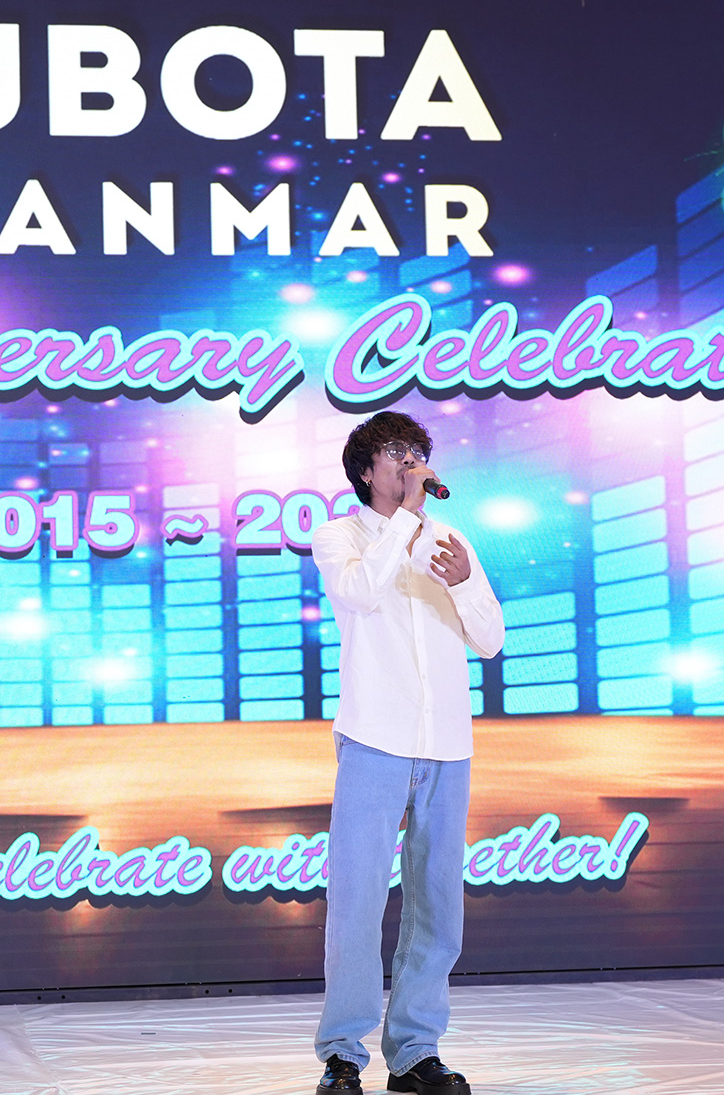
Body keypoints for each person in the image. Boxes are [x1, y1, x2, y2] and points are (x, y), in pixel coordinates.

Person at [307, 410, 504, 1095]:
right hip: (375, 737)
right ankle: (342, 1055)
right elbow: (361, 593)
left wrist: (464, 581)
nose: (412, 460)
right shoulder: (339, 536)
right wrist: (404, 522)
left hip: (447, 743)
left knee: (437, 905)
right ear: (366, 470)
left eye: (418, 450)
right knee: (358, 901)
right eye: (396, 452)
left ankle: (417, 1051)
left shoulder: (452, 540)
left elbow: (490, 640)